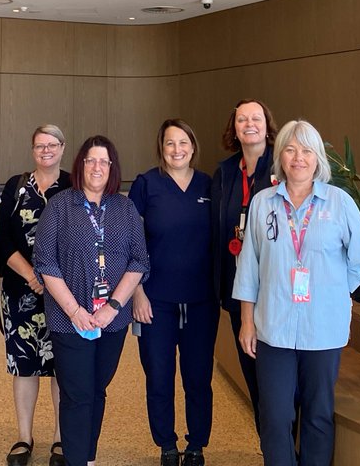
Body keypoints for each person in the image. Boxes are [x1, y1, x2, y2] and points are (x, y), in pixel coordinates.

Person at [233, 120, 360, 466]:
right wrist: (247, 322)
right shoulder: (263, 203)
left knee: (318, 413)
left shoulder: (338, 202)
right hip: (273, 328)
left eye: (307, 150)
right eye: (291, 149)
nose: (299, 158)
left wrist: (335, 290)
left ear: (318, 158)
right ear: (281, 155)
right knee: (275, 416)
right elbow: (248, 266)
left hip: (322, 330)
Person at [32, 135, 150, 466]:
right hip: (70, 321)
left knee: (97, 391)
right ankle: (75, 460)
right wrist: (74, 310)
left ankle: (88, 458)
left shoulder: (125, 208)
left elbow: (139, 261)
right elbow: (45, 262)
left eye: (103, 161)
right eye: (90, 160)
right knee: (77, 395)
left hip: (111, 321)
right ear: (80, 165)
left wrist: (113, 308)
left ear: (112, 168)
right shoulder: (60, 205)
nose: (96, 167)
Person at [129, 119, 216, 466]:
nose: (177, 149)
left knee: (198, 377)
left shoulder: (210, 185)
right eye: (169, 143)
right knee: (160, 375)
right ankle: (166, 443)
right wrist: (136, 292)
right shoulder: (146, 185)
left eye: (183, 142)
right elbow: (128, 242)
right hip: (155, 301)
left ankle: (196, 445)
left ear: (193, 146)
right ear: (160, 148)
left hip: (200, 302)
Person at [0, 125, 72, 466]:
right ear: (32, 149)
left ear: (63, 148)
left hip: (66, 294)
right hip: (20, 291)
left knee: (62, 367)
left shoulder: (74, 184)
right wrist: (30, 275)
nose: (46, 150)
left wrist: (51, 279)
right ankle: (24, 437)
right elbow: (1, 238)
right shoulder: (15, 186)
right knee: (24, 366)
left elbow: (80, 239)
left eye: (52, 145)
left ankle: (60, 437)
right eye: (40, 145)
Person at [209, 99, 278, 431]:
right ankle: (270, 447)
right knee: (253, 375)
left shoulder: (281, 166)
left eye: (256, 118)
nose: (249, 124)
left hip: (277, 290)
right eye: (241, 120)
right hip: (239, 290)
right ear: (233, 128)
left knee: (278, 379)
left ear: (267, 124)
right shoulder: (224, 172)